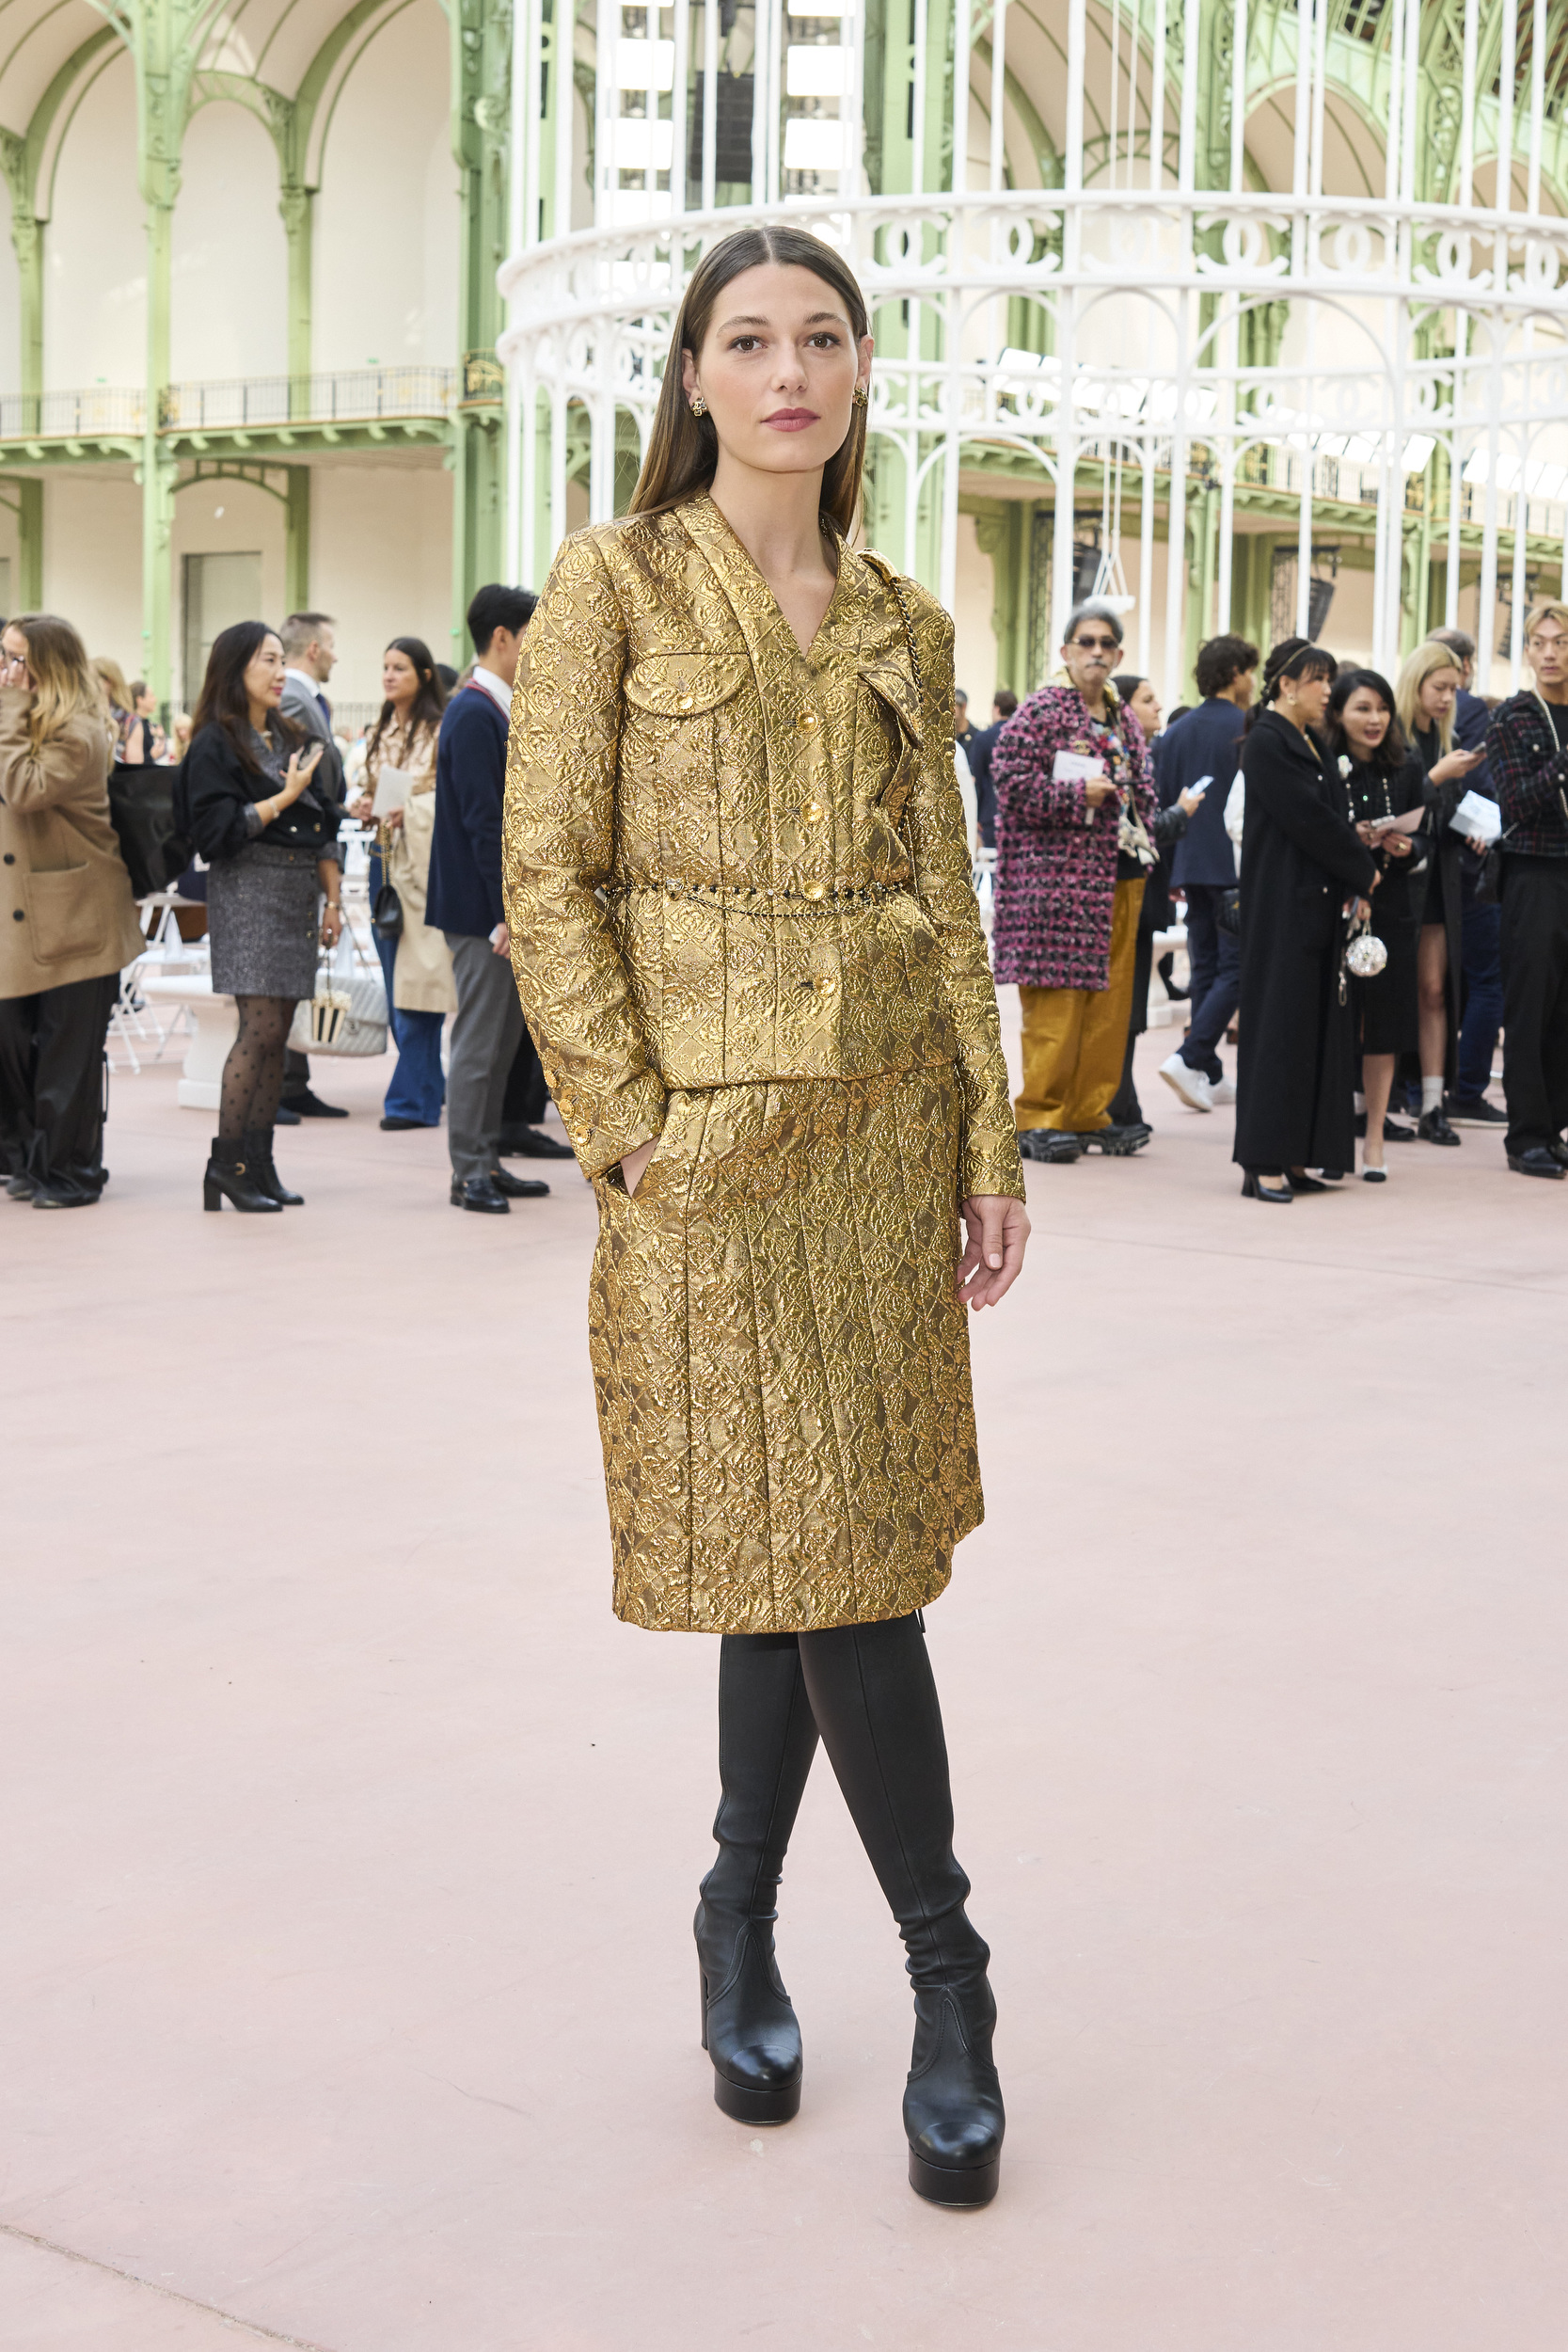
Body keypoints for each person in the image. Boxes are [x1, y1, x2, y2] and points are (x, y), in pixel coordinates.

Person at [502, 223, 1028, 2208]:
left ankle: (733, 1909)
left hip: (885, 1130)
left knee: (814, 1540)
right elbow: (545, 874)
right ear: (695, 376)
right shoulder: (616, 585)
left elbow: (946, 890)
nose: (786, 369)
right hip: (708, 1154)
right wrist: (624, 1125)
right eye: (748, 338)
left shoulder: (903, 617)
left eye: (819, 336)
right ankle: (949, 1974)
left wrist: (984, 1143)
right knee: (827, 1552)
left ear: (861, 370)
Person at [180, 621, 341, 1213]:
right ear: (235, 669)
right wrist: (281, 797)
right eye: (267, 662)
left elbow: (322, 820)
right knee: (260, 1029)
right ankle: (228, 1164)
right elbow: (215, 832)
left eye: (281, 660)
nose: (279, 674)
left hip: (296, 894)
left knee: (280, 1036)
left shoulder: (289, 734)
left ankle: (261, 1162)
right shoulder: (214, 744)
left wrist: (335, 898)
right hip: (247, 892)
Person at [990, 599, 1162, 1159]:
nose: (1096, 653)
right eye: (1085, 643)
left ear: (1118, 655)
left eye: (1106, 644)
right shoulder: (1041, 711)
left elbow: (1144, 788)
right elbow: (1009, 781)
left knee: (1110, 1004)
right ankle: (1040, 1115)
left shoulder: (1122, 717)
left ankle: (1091, 1113)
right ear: (1066, 652)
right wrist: (1073, 795)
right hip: (1057, 887)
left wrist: (1150, 827)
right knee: (1058, 1001)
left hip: (1120, 873)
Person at [0, 613, 142, 1206]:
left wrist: (8, 709)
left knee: (68, 1056)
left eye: (15, 659)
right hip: (20, 919)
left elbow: (24, 788)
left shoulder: (80, 731)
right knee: (12, 1044)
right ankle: (26, 1158)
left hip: (77, 916)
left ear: (46, 668)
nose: (5, 670)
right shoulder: (19, 721)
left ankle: (71, 1170)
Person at [1231, 639, 1376, 1201]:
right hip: (1281, 909)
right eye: (1319, 680)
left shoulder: (1312, 740)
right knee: (1277, 1030)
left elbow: (1329, 816)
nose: (1328, 692)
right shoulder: (1267, 742)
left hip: (1314, 905)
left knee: (1312, 1029)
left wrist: (1352, 874)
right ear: (1287, 684)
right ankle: (1263, 1159)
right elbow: (1309, 820)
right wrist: (1362, 870)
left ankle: (1296, 1154)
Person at [427, 584, 550, 1215]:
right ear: (501, 638)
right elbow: (485, 822)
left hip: (495, 907)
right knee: (479, 1041)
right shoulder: (475, 712)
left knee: (501, 1041)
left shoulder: (493, 707)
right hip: (483, 912)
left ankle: (488, 1156)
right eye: (532, 635)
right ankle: (468, 1170)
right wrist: (504, 911)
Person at [1325, 670, 1425, 1181]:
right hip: (1336, 909)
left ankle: (1377, 1138)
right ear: (1339, 713)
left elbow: (1423, 835)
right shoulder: (1326, 768)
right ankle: (1332, 1130)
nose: (1375, 719)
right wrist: (1352, 842)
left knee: (1384, 1025)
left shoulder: (1405, 768)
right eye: (1363, 708)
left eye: (1382, 708)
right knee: (1339, 1022)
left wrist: (1406, 847)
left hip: (1391, 910)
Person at [350, 638, 453, 1132]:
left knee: (420, 976)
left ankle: (411, 1100)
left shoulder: (440, 728)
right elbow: (372, 787)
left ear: (425, 674)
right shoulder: (380, 728)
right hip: (382, 857)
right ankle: (428, 1086)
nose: (389, 676)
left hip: (423, 861)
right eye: (385, 667)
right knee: (394, 977)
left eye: (400, 668)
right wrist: (364, 805)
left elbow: (446, 795)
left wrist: (406, 809)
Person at [1483, 598, 1568, 1178]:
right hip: (1534, 872)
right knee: (1531, 1004)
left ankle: (1553, 1125)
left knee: (1565, 1011)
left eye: (1559, 641)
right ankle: (1527, 1134)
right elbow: (1515, 803)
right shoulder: (1514, 716)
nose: (1549, 653)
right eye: (1539, 643)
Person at [1155, 632, 1258, 1113]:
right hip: (1234, 866)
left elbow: (1163, 803)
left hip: (1189, 864)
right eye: (1250, 672)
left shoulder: (1176, 732)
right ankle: (1191, 1055)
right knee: (1235, 971)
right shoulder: (1248, 727)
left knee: (1206, 969)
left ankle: (1208, 1069)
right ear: (1236, 674)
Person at [1394, 642, 1487, 1146]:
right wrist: (1436, 777)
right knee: (1386, 991)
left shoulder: (1443, 739)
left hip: (1438, 882)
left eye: (1454, 689)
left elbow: (1440, 811)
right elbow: (1396, 807)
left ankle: (1432, 1102)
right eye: (1440, 688)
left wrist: (1469, 825)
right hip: (1397, 880)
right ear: (1417, 684)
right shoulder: (1393, 737)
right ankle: (1373, 1099)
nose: (1449, 698)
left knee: (1434, 990)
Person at [1105, 672, 1197, 1128]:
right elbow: (1132, 831)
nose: (1158, 707)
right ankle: (1116, 1103)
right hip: (1121, 899)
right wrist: (1179, 815)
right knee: (1122, 1003)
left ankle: (1123, 1099)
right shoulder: (1114, 757)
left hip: (1139, 900)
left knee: (1132, 1005)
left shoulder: (1141, 756)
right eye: (1147, 699)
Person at [1427, 626, 1506, 1124]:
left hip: (1432, 859)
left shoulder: (1420, 722)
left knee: (1437, 985)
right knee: (1484, 982)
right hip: (1467, 862)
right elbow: (1478, 787)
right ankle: (1468, 1088)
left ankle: (1424, 1087)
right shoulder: (1471, 711)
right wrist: (1483, 826)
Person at [276, 612, 348, 1122]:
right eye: (332, 646)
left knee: (299, 971)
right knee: (281, 979)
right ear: (315, 650)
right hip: (303, 843)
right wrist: (338, 809)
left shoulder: (306, 699)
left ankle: (293, 1080)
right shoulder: (296, 699)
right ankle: (280, 1083)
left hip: (318, 838)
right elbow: (311, 779)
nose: (337, 656)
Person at [965, 688, 1017, 849]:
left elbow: (977, 780)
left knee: (990, 866)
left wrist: (976, 816)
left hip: (989, 814)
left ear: (996, 708)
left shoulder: (983, 738)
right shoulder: (1023, 738)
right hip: (1017, 814)